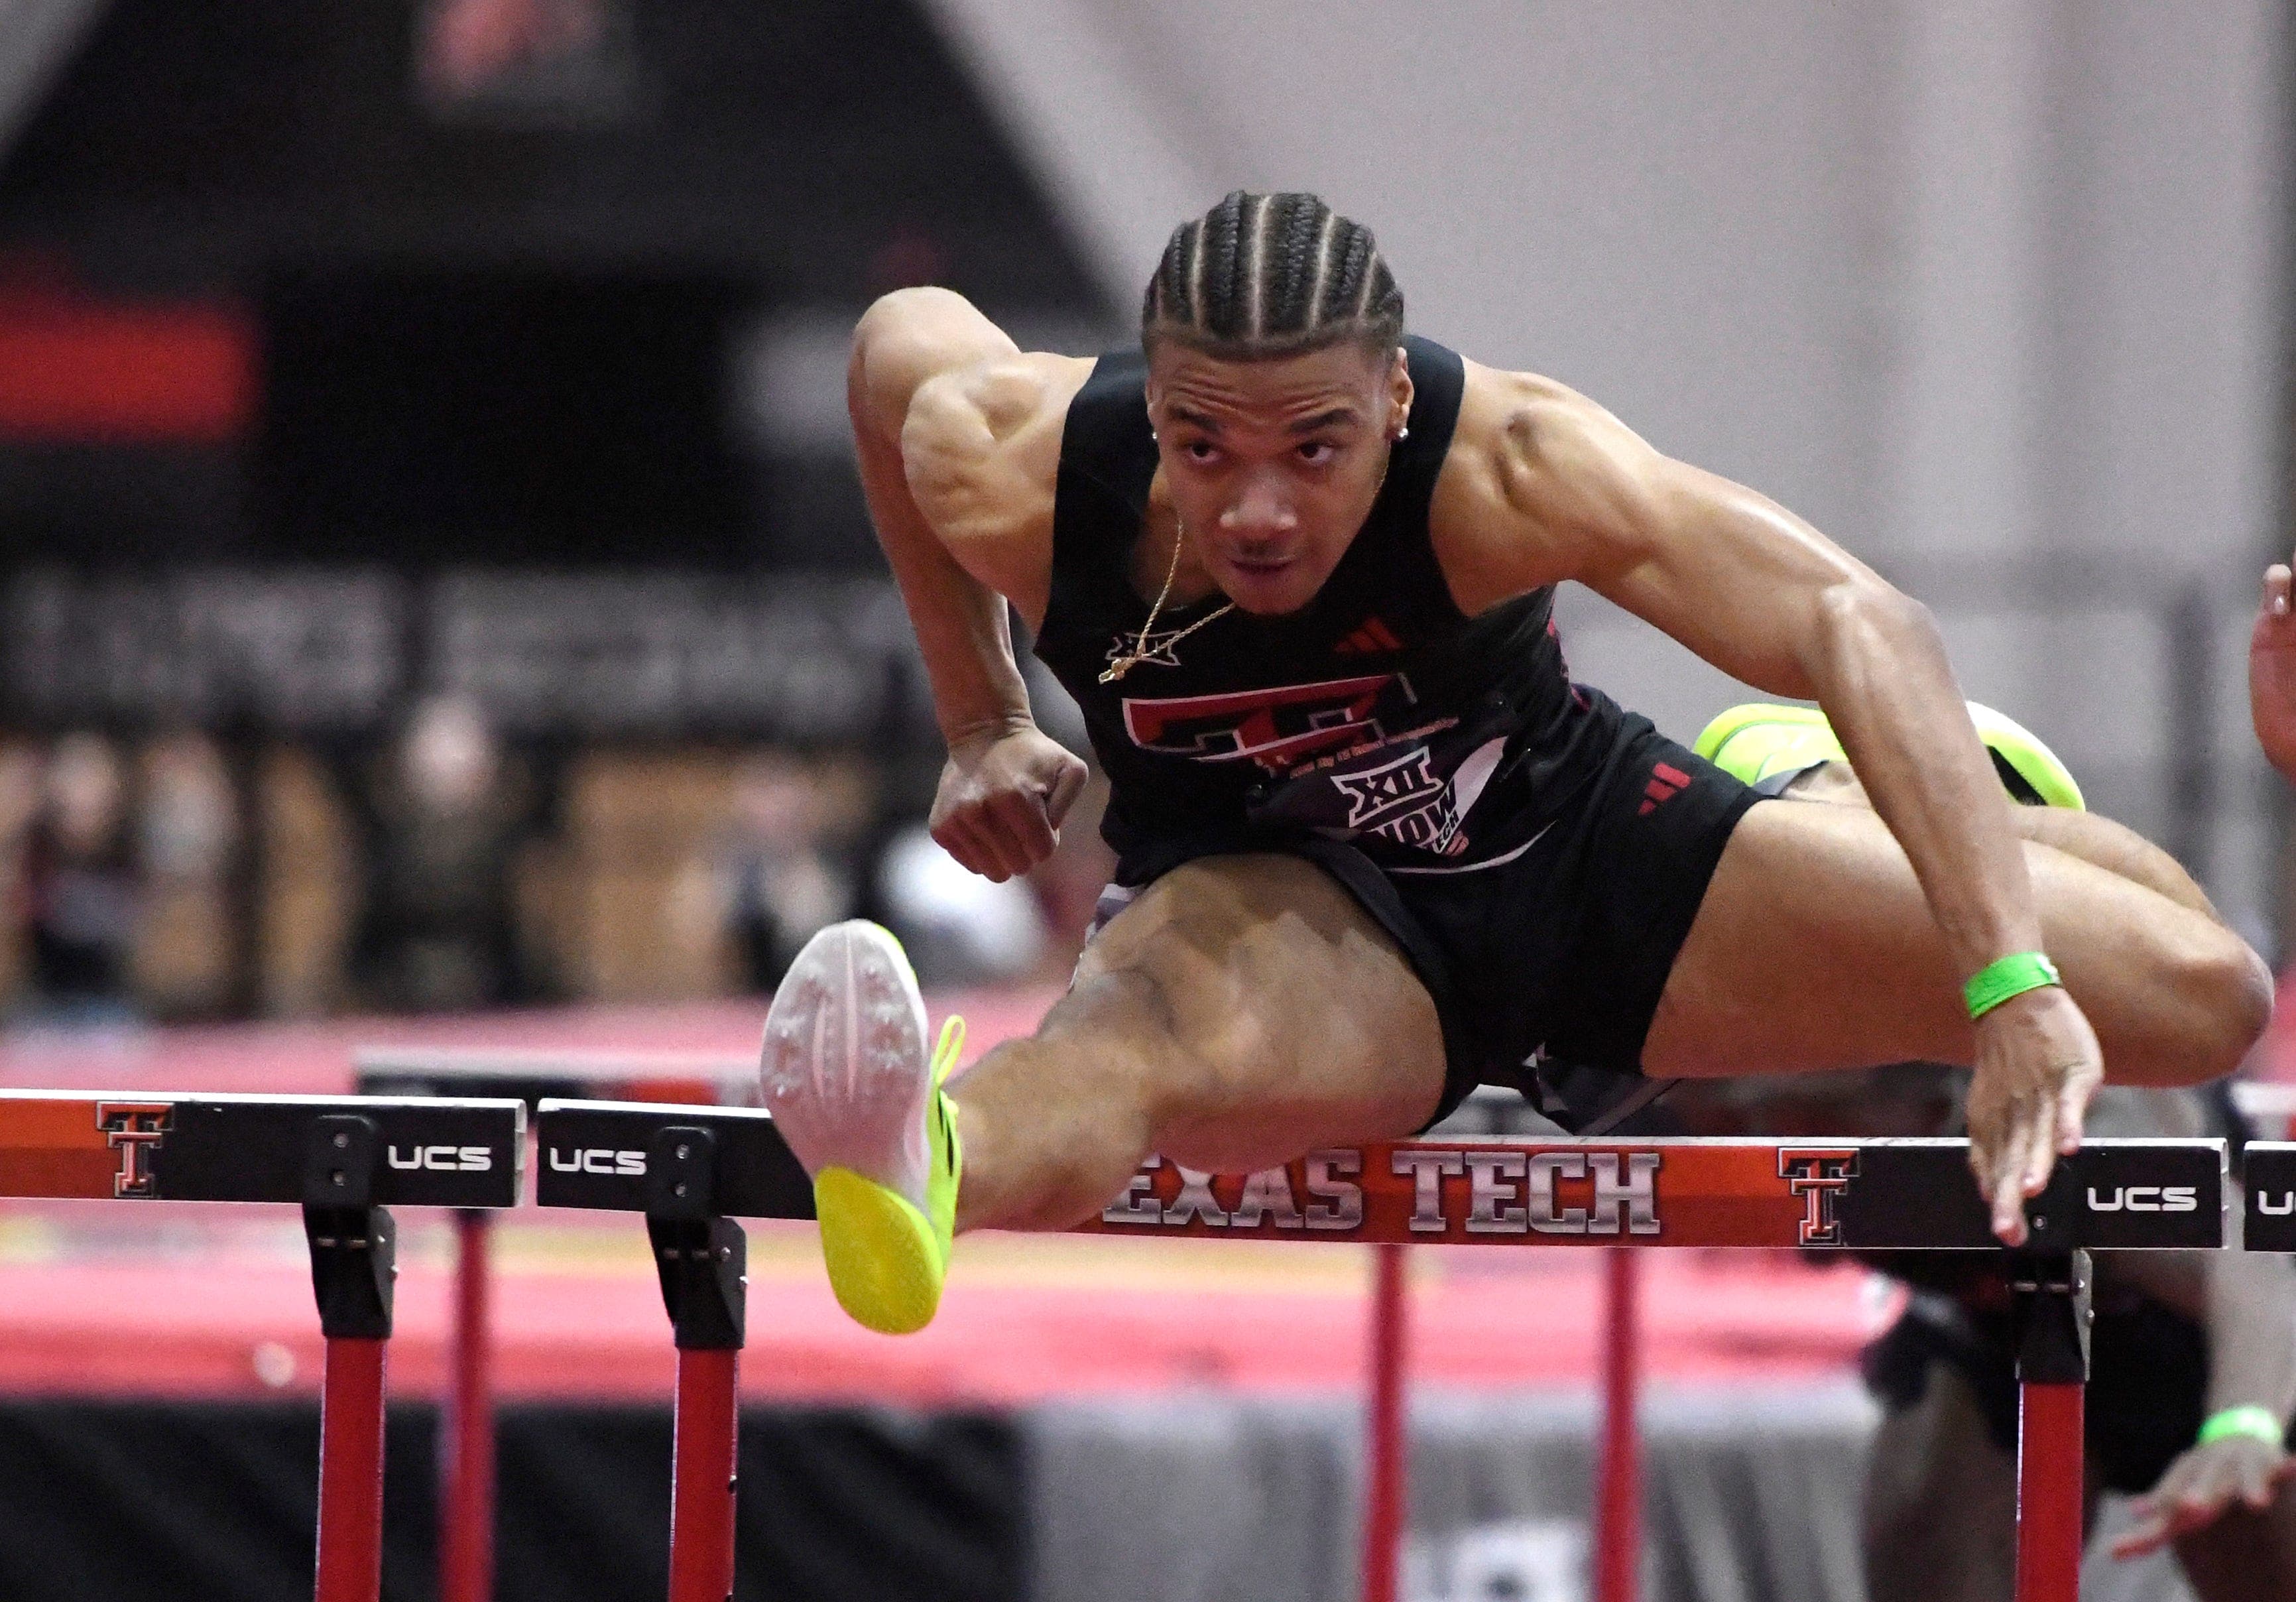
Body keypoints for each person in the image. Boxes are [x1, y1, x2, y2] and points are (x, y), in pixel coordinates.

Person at [762, 190, 2271, 1334]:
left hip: (1585, 862)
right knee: (1134, 1051)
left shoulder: (1509, 464)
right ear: (1151, 406)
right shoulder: (1024, 462)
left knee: (2202, 998)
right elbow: (898, 355)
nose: (1260, 509)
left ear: (1397, 405)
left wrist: (2005, 983)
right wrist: (982, 718)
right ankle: (918, 1156)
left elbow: (1849, 610)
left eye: (1317, 446)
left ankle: (1817, 788)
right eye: (1203, 446)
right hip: (1288, 911)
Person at [1677, 708, 2296, 1602]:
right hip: (1988, 1332)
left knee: (2246, 1481)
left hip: (2209, 1348)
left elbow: (2247, 1258)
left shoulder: (2063, 1092)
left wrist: (2242, 1425)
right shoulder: (1715, 1026)